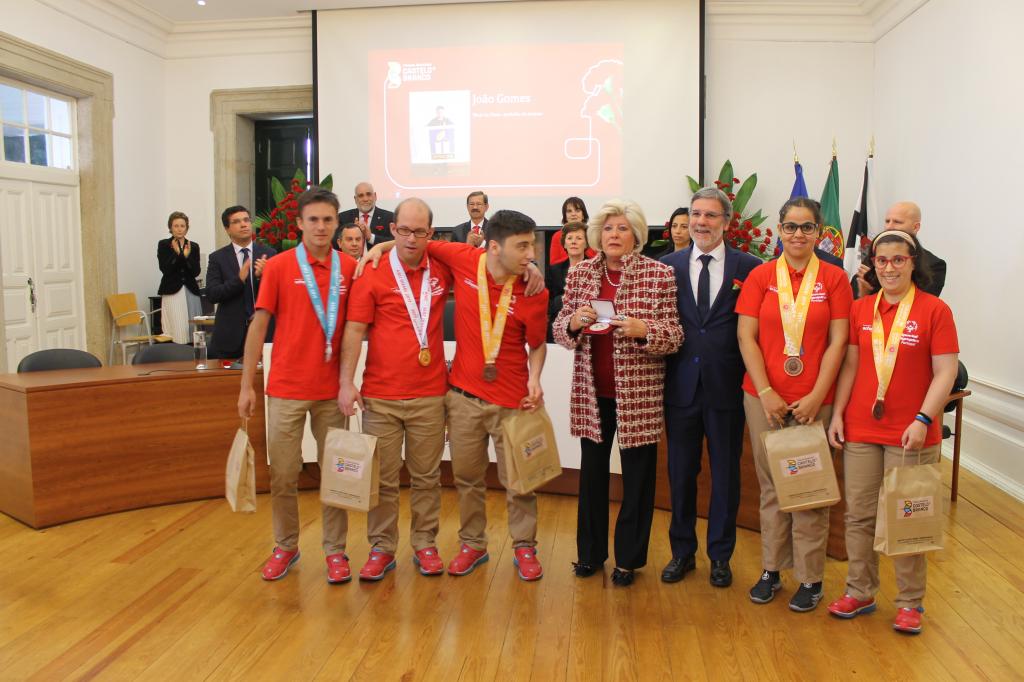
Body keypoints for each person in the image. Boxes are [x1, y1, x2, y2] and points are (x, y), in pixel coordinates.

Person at [363, 209, 549, 580]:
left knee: (520, 481)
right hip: (463, 397)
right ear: (494, 247)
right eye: (522, 246)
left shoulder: (534, 289)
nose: (531, 254)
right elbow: (414, 242)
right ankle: (473, 544)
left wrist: (536, 378)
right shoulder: (463, 258)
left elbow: (538, 344)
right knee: (467, 479)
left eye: (532, 246)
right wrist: (379, 248)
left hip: (513, 401)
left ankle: (524, 546)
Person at [826, 229, 959, 634]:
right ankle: (860, 590)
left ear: (913, 263)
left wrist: (924, 419)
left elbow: (946, 371)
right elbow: (851, 365)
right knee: (859, 515)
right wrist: (838, 414)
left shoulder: (935, 310)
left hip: (912, 432)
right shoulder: (861, 309)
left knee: (907, 517)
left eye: (898, 259)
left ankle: (910, 602)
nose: (889, 268)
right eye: (881, 260)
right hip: (862, 427)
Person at [552, 199, 682, 586]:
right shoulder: (580, 273)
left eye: (622, 228)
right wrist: (573, 322)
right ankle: (589, 555)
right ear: (597, 234)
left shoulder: (659, 274)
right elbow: (560, 328)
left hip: (639, 397)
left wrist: (646, 331)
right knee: (591, 477)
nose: (614, 235)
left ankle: (628, 560)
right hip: (592, 395)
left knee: (638, 480)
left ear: (636, 235)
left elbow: (675, 335)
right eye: (608, 228)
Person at [237, 186, 359, 584]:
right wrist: (247, 385)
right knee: (284, 475)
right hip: (286, 389)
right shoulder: (278, 266)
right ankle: (286, 546)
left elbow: (357, 329)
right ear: (299, 224)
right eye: (313, 220)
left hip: (331, 393)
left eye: (328, 220)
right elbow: (258, 327)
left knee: (335, 475)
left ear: (337, 223)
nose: (321, 227)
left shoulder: (350, 269)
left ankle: (335, 551)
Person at [736, 197, 852, 611]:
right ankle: (772, 568)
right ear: (780, 230)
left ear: (819, 233)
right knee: (771, 487)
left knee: (809, 490)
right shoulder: (761, 275)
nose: (798, 234)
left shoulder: (835, 278)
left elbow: (840, 341)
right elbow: (746, 336)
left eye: (806, 227)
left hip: (814, 401)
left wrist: (818, 396)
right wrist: (767, 391)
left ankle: (810, 577)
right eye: (790, 226)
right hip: (763, 399)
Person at [338, 198, 452, 581]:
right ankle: (382, 548)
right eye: (403, 231)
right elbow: (354, 329)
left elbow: (485, 265)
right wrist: (346, 381)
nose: (411, 239)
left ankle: (425, 543)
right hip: (381, 396)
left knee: (427, 478)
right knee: (383, 480)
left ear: (430, 233)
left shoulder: (442, 267)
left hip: (430, 395)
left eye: (419, 232)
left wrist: (529, 268)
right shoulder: (372, 271)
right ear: (392, 229)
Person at [660, 187, 761, 587]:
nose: (701, 222)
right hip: (680, 388)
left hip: (727, 388)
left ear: (727, 222)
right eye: (696, 214)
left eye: (710, 215)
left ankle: (721, 556)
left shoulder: (750, 268)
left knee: (726, 476)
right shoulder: (666, 266)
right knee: (681, 474)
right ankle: (682, 552)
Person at [206, 206, 274, 359]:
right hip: (230, 336)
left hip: (264, 333)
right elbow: (212, 294)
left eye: (246, 220)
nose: (243, 224)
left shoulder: (269, 253)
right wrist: (238, 281)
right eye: (236, 222)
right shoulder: (217, 258)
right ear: (227, 229)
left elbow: (281, 294)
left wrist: (263, 277)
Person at [853, 202, 946, 298]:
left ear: (915, 227)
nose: (889, 227)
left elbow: (923, 302)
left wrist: (875, 284)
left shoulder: (934, 264)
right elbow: (854, 296)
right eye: (887, 221)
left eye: (897, 222)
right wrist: (864, 291)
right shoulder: (874, 256)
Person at [156, 211, 202, 344]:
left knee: (193, 327)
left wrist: (185, 257)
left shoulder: (193, 246)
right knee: (177, 326)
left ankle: (193, 350)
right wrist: (178, 254)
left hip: (190, 289)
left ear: (187, 228)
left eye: (182, 226)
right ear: (170, 227)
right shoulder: (164, 244)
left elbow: (196, 271)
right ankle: (178, 350)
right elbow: (165, 269)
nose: (179, 229)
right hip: (172, 289)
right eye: (176, 226)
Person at [545, 221, 588, 342]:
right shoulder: (554, 270)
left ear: (586, 244)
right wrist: (562, 300)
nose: (574, 242)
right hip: (559, 325)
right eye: (569, 238)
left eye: (579, 238)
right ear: (564, 243)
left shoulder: (597, 269)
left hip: (587, 325)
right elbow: (546, 302)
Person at [339, 182, 395, 247]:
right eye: (361, 196)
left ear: (375, 196)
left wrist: (371, 237)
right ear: (355, 199)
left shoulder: (390, 217)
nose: (365, 199)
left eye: (368, 194)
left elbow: (395, 243)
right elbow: (336, 243)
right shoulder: (342, 218)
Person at [549, 196, 596, 265]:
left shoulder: (592, 234)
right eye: (569, 211)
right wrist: (572, 258)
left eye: (577, 210)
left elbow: (598, 260)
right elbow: (553, 263)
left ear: (583, 215)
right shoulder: (557, 236)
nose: (573, 214)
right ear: (565, 216)